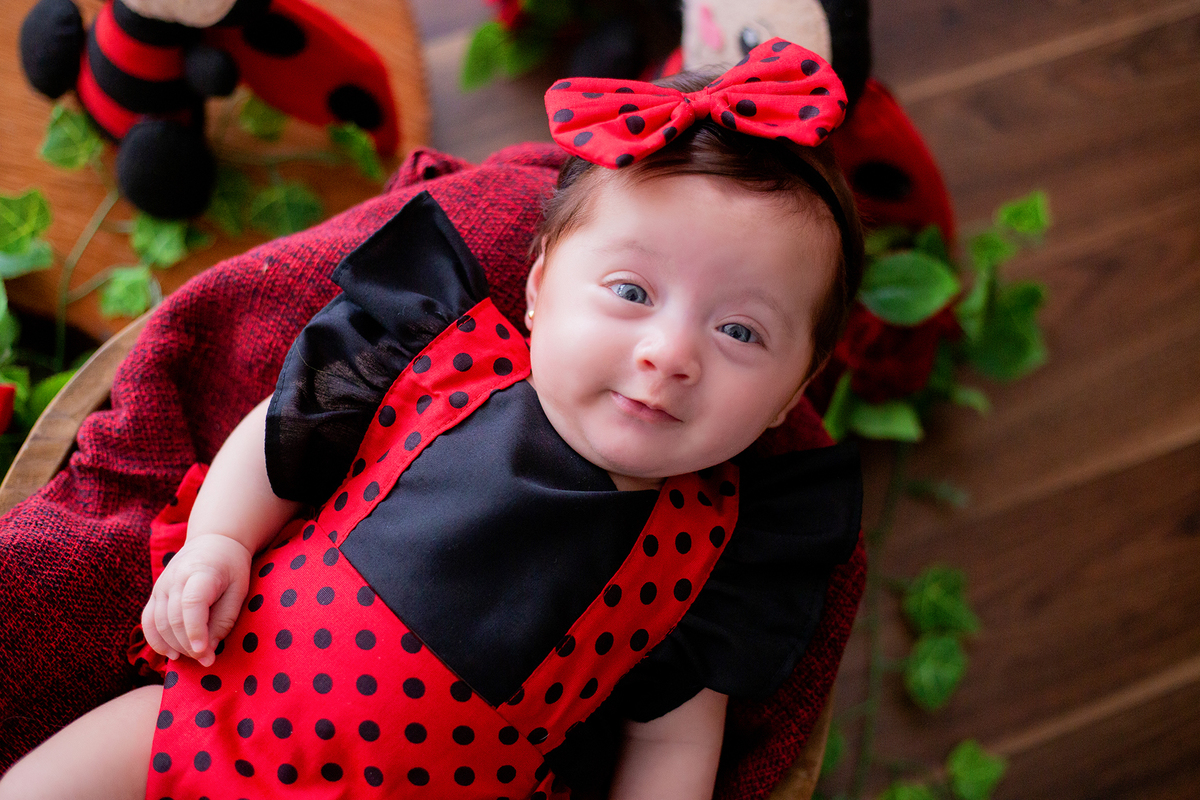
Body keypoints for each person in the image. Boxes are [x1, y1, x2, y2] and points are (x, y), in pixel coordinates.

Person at [0, 38, 864, 800]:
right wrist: (218, 542)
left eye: (741, 331)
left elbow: (671, 742)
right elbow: (281, 436)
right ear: (536, 293)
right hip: (212, 716)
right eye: (631, 293)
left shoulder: (716, 553)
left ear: (793, 392)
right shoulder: (436, 358)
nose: (670, 353)